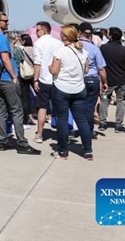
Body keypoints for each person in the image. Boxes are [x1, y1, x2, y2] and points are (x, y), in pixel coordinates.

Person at [0, 12, 40, 155]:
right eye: (5, 21)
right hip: (7, 78)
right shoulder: (1, 38)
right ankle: (22, 144)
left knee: (2, 109)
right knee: (17, 111)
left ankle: (3, 141)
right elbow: (5, 59)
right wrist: (14, 76)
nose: (7, 23)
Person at [49, 25, 92, 160]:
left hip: (62, 88)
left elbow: (54, 71)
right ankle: (88, 150)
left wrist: (50, 66)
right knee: (82, 119)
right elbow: (86, 70)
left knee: (62, 120)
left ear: (64, 36)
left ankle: (63, 151)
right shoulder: (83, 52)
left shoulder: (60, 52)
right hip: (79, 88)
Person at [32, 21, 63, 144]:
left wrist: (35, 79)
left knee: (42, 107)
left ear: (44, 31)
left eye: (37, 30)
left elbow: (37, 63)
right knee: (60, 108)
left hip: (44, 79)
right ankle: (62, 134)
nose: (36, 32)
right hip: (57, 79)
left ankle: (39, 134)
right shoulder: (59, 43)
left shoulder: (38, 43)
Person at [77, 22, 107, 138]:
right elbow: (101, 68)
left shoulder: (74, 47)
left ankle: (77, 128)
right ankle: (88, 131)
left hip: (78, 80)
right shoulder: (95, 49)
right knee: (90, 107)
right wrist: (104, 82)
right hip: (92, 79)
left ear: (79, 33)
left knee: (77, 106)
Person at [99, 27, 125, 133]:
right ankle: (118, 124)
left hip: (108, 79)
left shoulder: (103, 48)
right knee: (120, 101)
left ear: (110, 36)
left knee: (104, 100)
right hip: (121, 79)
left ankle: (102, 122)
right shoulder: (124, 50)